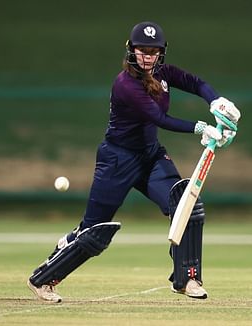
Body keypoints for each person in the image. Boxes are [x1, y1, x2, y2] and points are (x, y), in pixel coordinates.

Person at [27, 21, 240, 302]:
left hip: (150, 156)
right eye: (142, 50)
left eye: (153, 51)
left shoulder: (163, 74)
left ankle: (187, 280)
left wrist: (216, 101)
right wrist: (203, 128)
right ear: (131, 51)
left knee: (186, 206)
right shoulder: (126, 84)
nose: (148, 56)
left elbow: (196, 83)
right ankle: (42, 279)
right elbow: (159, 118)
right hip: (117, 160)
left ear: (161, 53)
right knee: (94, 232)